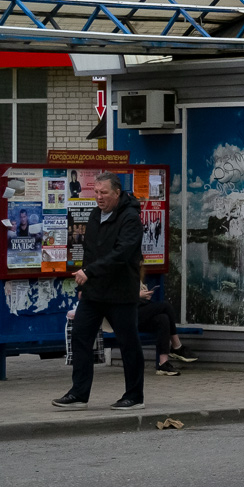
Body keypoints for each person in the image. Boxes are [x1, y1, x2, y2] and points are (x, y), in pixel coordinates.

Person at [52, 174, 145, 410]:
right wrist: (84, 284)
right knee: (80, 338)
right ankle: (79, 394)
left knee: (128, 344)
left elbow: (121, 254)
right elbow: (89, 252)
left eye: (103, 193)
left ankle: (134, 396)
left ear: (117, 193)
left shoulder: (130, 218)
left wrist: (90, 272)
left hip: (121, 293)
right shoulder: (95, 214)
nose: (99, 197)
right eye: (96, 192)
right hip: (94, 293)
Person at [138, 280, 196, 376]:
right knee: (166, 306)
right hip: (129, 317)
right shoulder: (120, 273)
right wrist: (138, 295)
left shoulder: (135, 274)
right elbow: (117, 297)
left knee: (163, 319)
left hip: (140, 313)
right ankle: (177, 346)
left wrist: (145, 296)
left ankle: (163, 364)